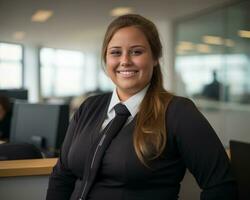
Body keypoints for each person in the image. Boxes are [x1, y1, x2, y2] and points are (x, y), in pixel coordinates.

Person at [46, 14, 237, 200]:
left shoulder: (178, 112)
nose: (125, 60)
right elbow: (62, 177)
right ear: (106, 58)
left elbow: (220, 185)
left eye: (136, 51)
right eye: (115, 52)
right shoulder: (88, 107)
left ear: (155, 58)